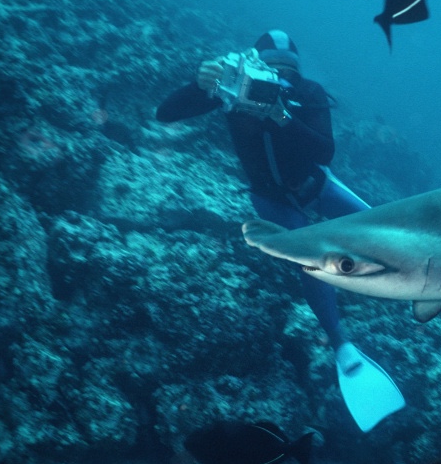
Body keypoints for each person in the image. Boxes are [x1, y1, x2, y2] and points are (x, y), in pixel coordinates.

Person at [157, 30, 404, 432]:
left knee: (384, 228)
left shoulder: (307, 92)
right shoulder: (230, 90)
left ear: (297, 73)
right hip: (270, 199)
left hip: (315, 184)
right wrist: (199, 85)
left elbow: (324, 152)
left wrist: (281, 114)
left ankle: (424, 280)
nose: (273, 80)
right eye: (267, 71)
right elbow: (164, 115)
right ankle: (342, 344)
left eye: (285, 73)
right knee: (310, 260)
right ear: (250, 66)